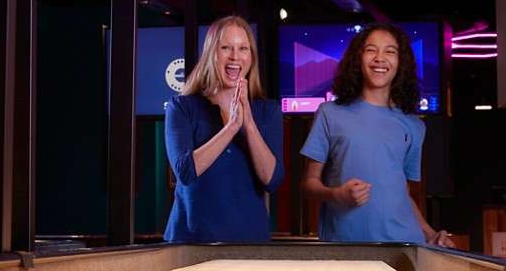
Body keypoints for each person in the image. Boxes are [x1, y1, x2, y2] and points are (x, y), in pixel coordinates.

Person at [299, 24, 452, 246]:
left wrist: (429, 233)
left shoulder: (414, 126)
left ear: (401, 63)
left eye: (390, 51)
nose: (380, 58)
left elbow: (402, 195)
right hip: (345, 246)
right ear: (358, 58)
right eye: (371, 50)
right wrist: (337, 195)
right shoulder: (329, 113)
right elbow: (308, 184)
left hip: (402, 247)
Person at [163, 16, 284, 242]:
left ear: (251, 57)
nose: (235, 56)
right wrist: (230, 128)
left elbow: (273, 180)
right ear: (211, 53)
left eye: (243, 49)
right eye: (225, 47)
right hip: (191, 243)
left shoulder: (268, 111)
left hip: (250, 244)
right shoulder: (182, 107)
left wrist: (247, 123)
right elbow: (185, 172)